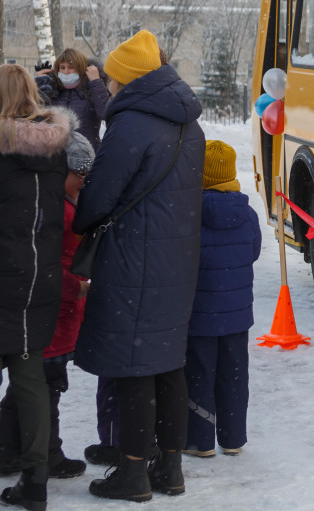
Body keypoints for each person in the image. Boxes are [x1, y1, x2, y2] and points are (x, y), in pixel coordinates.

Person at [71, 30, 205, 502]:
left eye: (111, 77)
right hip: (178, 261)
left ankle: (131, 473)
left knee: (133, 367)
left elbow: (98, 200)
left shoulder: (131, 125)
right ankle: (169, 469)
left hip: (134, 260)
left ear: (127, 80)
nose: (107, 85)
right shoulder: (190, 124)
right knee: (168, 363)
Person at [0, 133, 94, 483]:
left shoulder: (61, 201)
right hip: (52, 313)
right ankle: (46, 454)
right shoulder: (58, 209)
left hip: (57, 313)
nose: (82, 182)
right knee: (45, 387)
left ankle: (9, 450)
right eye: (79, 174)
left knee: (31, 387)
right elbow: (53, 263)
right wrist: (78, 287)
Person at [0, 64, 72, 511]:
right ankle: (36, 479)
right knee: (30, 380)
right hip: (39, 278)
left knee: (29, 382)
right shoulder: (55, 149)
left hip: (5, 274)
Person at [183, 140, 261, 459]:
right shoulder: (248, 215)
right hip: (237, 315)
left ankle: (200, 441)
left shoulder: (189, 214)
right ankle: (233, 438)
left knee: (199, 375)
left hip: (199, 315)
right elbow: (253, 252)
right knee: (234, 375)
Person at [34, 50, 108, 152]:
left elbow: (104, 113)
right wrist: (39, 87)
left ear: (81, 69)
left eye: (71, 67)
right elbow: (35, 117)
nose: (66, 72)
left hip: (86, 155)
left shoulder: (92, 90)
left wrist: (96, 82)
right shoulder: (52, 90)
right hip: (55, 157)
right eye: (62, 67)